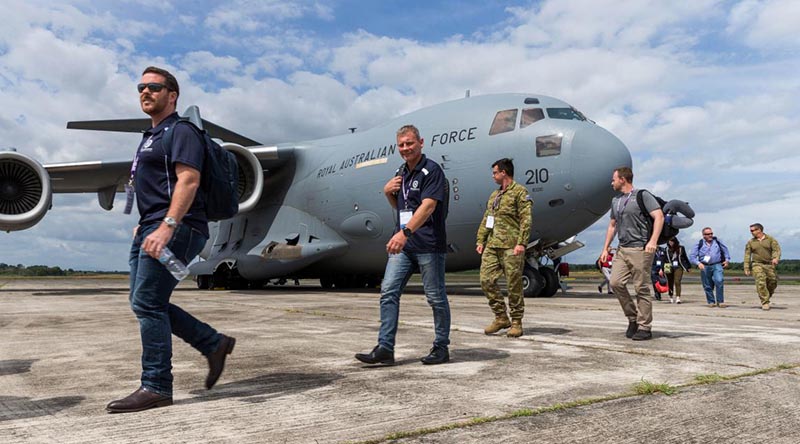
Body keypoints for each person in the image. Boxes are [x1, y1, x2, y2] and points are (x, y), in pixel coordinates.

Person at [106, 67, 235, 413]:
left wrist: (167, 225)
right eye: (141, 87)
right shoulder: (149, 136)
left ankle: (157, 385)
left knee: (148, 301)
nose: (145, 92)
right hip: (150, 226)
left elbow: (189, 180)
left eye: (154, 87)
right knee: (145, 301)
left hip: (178, 227)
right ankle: (213, 343)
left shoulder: (182, 131)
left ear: (172, 95)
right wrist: (144, 223)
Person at [355, 125, 451, 365]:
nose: (405, 148)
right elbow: (402, 206)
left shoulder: (432, 171)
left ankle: (441, 347)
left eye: (409, 143)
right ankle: (385, 348)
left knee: (435, 297)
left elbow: (428, 207)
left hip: (428, 244)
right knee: (388, 292)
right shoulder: (402, 172)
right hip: (405, 246)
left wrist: (404, 232)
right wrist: (388, 193)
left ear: (421, 142)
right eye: (401, 145)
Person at [600, 167, 664, 341]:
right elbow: (612, 225)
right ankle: (632, 317)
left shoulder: (642, 196)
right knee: (615, 283)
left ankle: (645, 326)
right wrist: (605, 248)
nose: (611, 182)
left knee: (641, 288)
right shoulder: (616, 201)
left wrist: (653, 241)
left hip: (640, 249)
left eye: (614, 179)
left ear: (623, 179)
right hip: (622, 249)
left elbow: (659, 216)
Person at [476, 158, 532, 338]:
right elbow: (487, 218)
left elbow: (526, 219)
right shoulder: (494, 195)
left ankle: (516, 322)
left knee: (513, 284)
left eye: (495, 172)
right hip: (493, 245)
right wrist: (480, 240)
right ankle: (501, 317)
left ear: (504, 173)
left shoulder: (519, 193)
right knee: (486, 280)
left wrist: (522, 243)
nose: (493, 176)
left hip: (511, 246)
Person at [689, 227, 731, 308]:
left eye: (711, 233)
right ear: (703, 235)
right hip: (705, 266)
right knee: (707, 284)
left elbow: (725, 251)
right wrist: (698, 263)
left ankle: (720, 301)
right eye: (708, 234)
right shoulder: (699, 244)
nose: (710, 235)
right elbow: (692, 257)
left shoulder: (718, 242)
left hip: (717, 264)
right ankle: (711, 301)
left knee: (719, 280)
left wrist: (727, 260)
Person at [743, 223, 781, 310]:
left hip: (769, 265)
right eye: (750, 231)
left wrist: (776, 258)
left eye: (753, 230)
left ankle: (767, 296)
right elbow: (747, 255)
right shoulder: (751, 242)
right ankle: (765, 302)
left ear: (759, 230)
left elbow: (776, 250)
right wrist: (746, 267)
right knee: (760, 282)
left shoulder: (771, 240)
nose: (751, 232)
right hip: (757, 264)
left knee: (773, 282)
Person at [664, 237, 691, 304]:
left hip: (678, 266)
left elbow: (685, 257)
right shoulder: (666, 249)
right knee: (670, 282)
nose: (671, 243)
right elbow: (664, 259)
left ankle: (678, 297)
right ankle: (670, 296)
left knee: (677, 281)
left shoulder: (681, 248)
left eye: (672, 241)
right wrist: (661, 269)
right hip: (669, 266)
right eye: (669, 241)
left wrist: (688, 266)